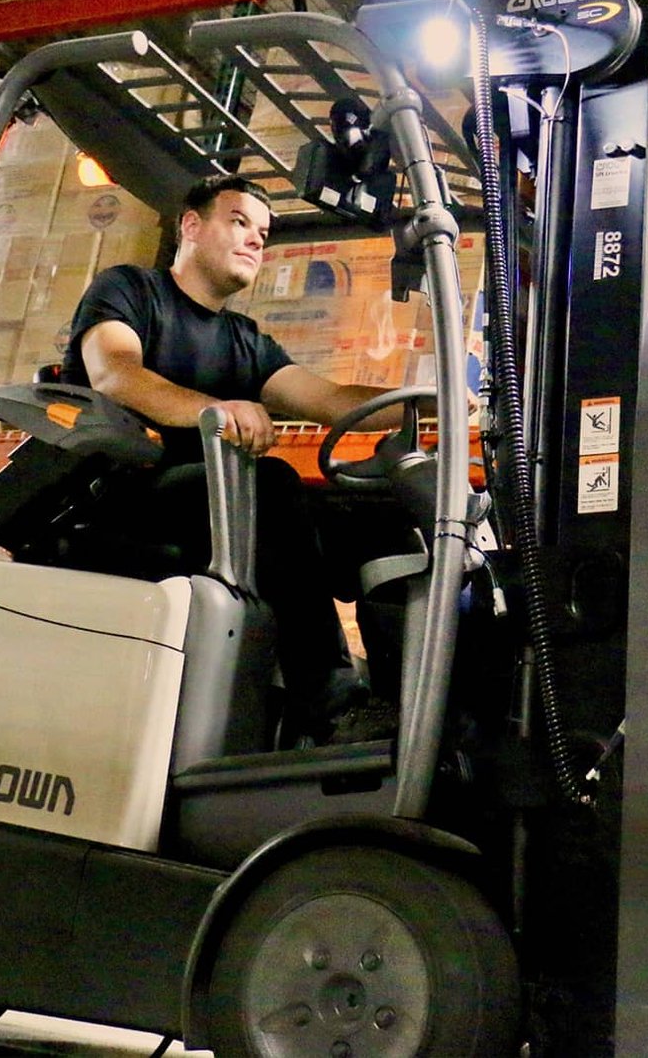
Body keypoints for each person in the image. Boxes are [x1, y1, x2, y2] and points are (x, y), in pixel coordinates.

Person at [60, 171, 399, 747]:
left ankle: (403, 701)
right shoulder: (130, 291)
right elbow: (116, 374)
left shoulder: (247, 341)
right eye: (239, 222)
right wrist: (217, 411)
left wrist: (432, 398)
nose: (253, 241)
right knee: (270, 484)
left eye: (262, 235)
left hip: (219, 501)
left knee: (377, 519)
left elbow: (334, 402)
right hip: (127, 497)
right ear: (191, 226)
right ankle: (333, 705)